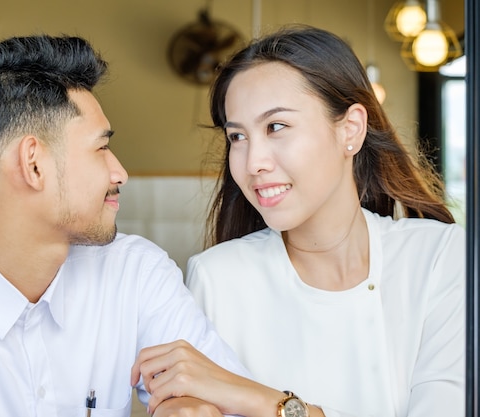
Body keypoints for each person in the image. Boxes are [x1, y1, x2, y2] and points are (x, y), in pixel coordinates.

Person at [0, 35, 249, 417]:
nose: (120, 172)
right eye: (102, 147)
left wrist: (188, 405)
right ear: (34, 164)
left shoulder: (135, 272)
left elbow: (231, 404)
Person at [131, 25, 465, 417]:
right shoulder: (217, 277)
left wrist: (265, 401)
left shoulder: (439, 256)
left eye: (276, 127)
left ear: (351, 130)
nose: (253, 161)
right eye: (237, 137)